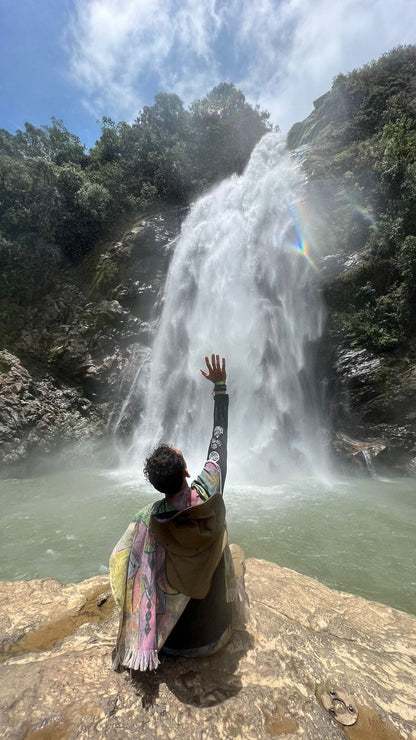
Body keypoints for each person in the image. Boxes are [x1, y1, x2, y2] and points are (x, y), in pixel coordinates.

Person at [110, 354, 247, 672]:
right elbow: (219, 440)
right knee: (230, 548)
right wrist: (220, 388)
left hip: (167, 643)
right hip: (215, 637)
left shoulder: (148, 520)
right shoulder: (209, 489)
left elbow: (119, 565)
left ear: (158, 486)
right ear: (186, 470)